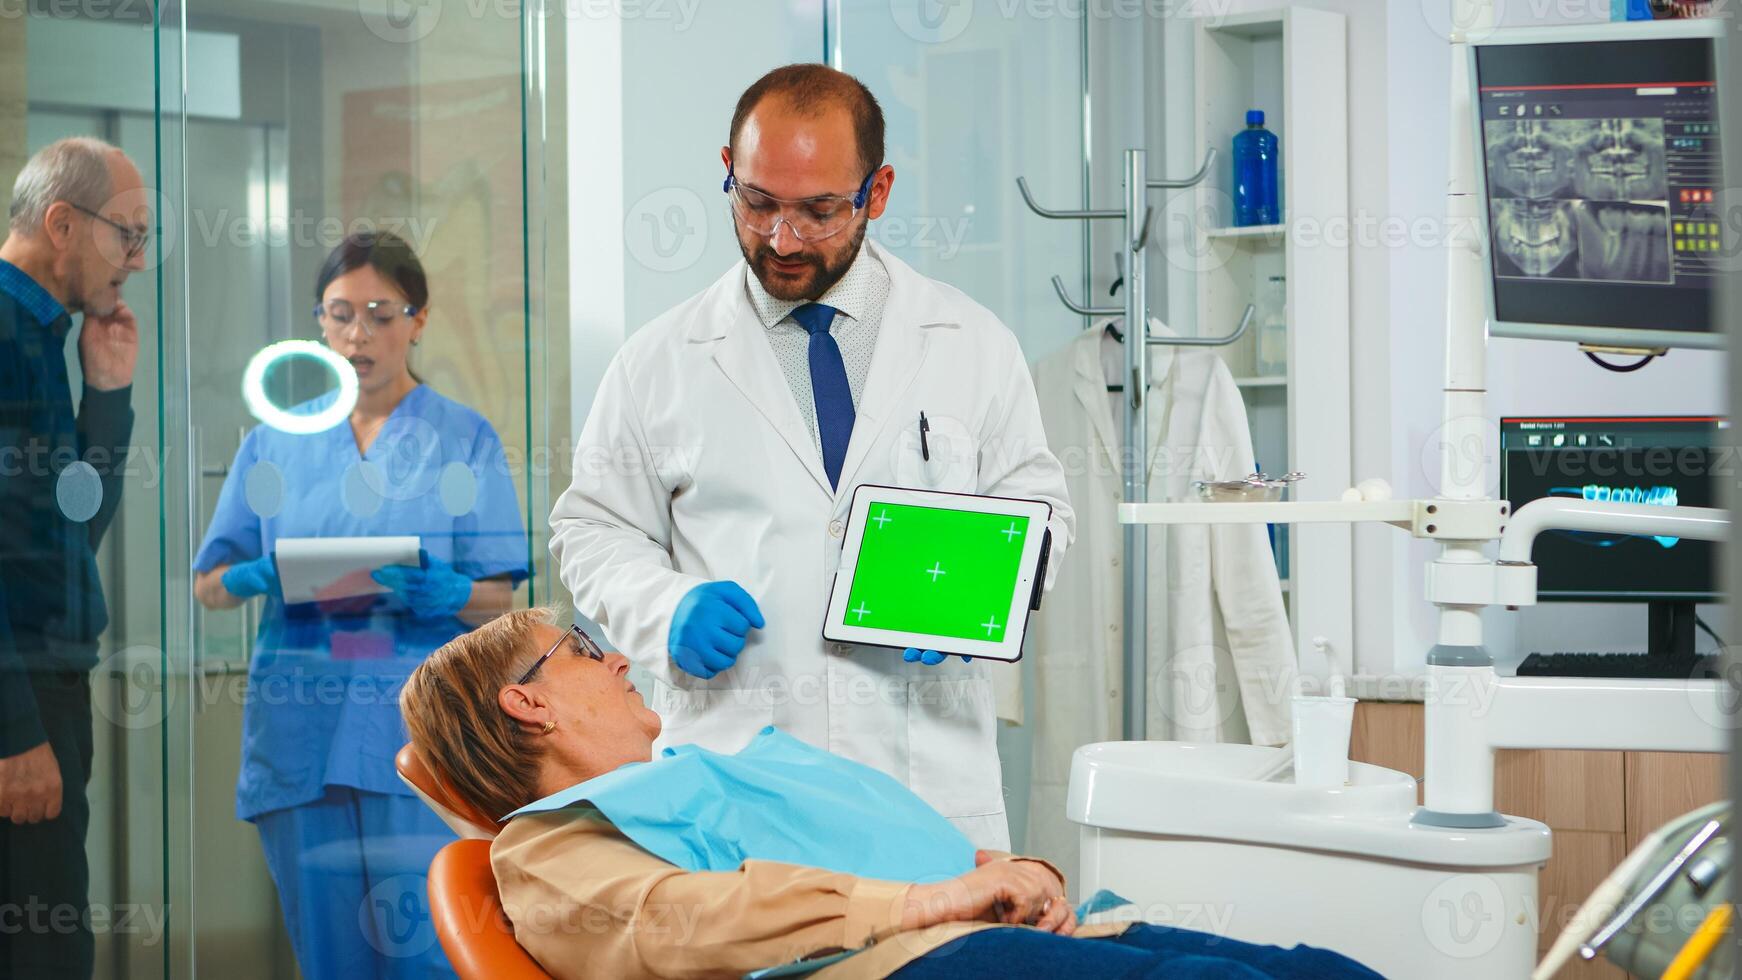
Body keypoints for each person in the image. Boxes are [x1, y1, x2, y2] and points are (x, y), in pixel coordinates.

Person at [548, 63, 1073, 851]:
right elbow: (590, 531)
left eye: (820, 211)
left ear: (878, 192)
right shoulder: (660, 359)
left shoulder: (971, 344)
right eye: (757, 202)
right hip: (737, 785)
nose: (782, 238)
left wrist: (979, 590)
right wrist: (664, 607)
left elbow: (1042, 513)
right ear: (728, 170)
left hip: (923, 782)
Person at [398, 608, 1383, 980]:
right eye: (579, 645)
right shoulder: (547, 849)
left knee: (1318, 971)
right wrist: (926, 902)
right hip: (912, 963)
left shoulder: (702, 777)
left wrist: (1009, 869)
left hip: (1009, 930)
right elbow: (685, 921)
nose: (616, 653)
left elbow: (889, 843)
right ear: (528, 702)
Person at [191, 231, 529, 978]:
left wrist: (449, 591)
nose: (358, 334)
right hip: (301, 733)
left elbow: (501, 596)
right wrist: (253, 578)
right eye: (340, 314)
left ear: (419, 318)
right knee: (331, 959)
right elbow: (208, 582)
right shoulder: (276, 441)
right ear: (318, 322)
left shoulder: (461, 438)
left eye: (380, 313)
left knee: (431, 955)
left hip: (418, 734)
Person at [0, 136, 146, 980]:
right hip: (18, 702)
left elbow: (68, 540)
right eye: (125, 233)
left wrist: (109, 398)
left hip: (45, 688)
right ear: (62, 222)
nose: (135, 259)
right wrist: (13, 731)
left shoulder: (46, 336)